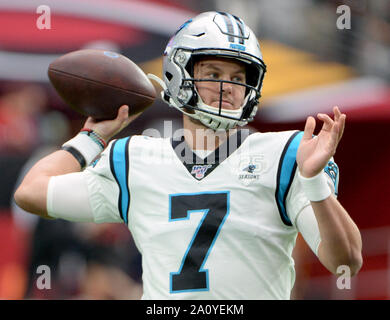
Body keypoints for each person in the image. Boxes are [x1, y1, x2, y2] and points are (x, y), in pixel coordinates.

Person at [14, 11, 362, 300]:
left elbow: (345, 261)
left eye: (239, 77)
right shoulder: (135, 157)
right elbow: (30, 193)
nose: (228, 88)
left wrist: (314, 184)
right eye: (213, 74)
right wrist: (94, 136)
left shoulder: (286, 152)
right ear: (179, 73)